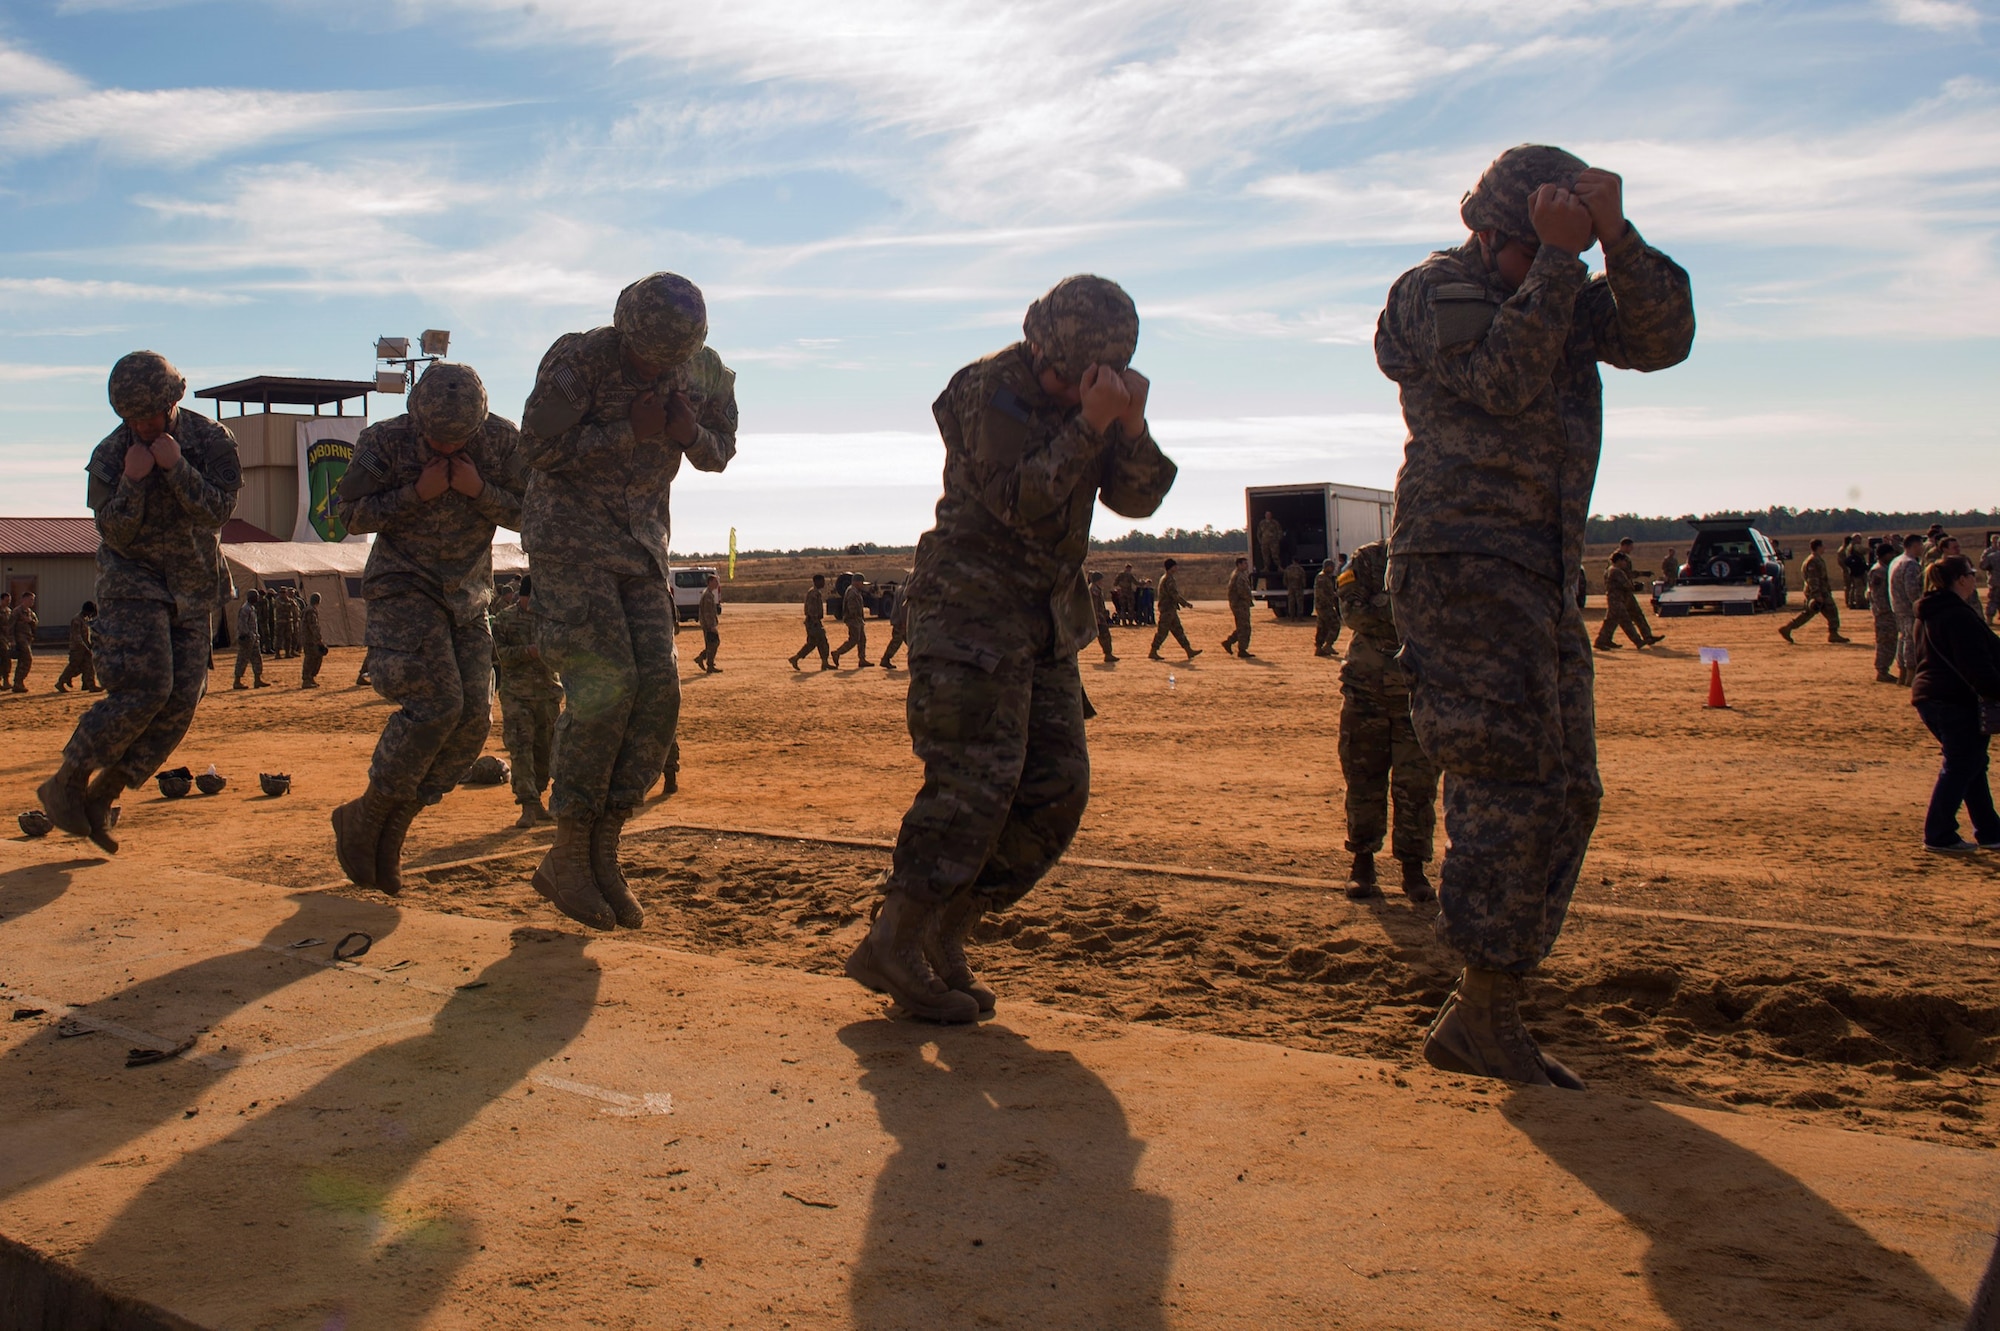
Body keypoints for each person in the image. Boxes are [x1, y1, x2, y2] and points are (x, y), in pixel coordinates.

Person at [1375, 144, 1694, 1087]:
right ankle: (1485, 1008)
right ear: (1493, 233)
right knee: (1508, 785)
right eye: (1536, 249)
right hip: (1463, 565)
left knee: (1569, 791)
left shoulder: (1552, 284)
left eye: (1566, 253)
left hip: (1541, 570)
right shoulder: (1436, 289)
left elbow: (1663, 337)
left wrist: (1618, 239)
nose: (1557, 266)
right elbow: (1501, 382)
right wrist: (1559, 261)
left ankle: (1489, 999)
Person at [844, 273, 1177, 1024]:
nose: (1071, 390)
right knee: (972, 788)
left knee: (1056, 790)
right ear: (1041, 347)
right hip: (971, 614)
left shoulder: (1088, 402)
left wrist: (1130, 425)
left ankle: (944, 928)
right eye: (1066, 377)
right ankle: (896, 935)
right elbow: (1019, 498)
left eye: (1091, 381)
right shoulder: (987, 388)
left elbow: (1139, 498)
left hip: (1045, 621)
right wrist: (1089, 421)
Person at [518, 271, 738, 931]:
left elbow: (719, 453)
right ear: (624, 329)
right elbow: (535, 448)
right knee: (604, 685)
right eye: (646, 357)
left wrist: (688, 433)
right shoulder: (578, 358)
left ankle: (602, 849)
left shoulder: (705, 370)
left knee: (659, 691)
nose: (656, 368)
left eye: (668, 361)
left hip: (642, 546)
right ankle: (568, 852)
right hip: (569, 540)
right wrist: (628, 431)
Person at [332, 361, 527, 896]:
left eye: (459, 438)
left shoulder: (503, 442)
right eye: (436, 438)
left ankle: (390, 824)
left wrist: (478, 489)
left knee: (473, 722)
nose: (445, 446)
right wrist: (413, 494)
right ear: (416, 418)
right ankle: (373, 814)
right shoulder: (384, 441)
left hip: (468, 595)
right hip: (404, 587)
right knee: (437, 704)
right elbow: (344, 515)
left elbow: (537, 513)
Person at [38, 351, 242, 853]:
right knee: (148, 687)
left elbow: (217, 512)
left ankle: (103, 795)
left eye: (152, 414)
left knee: (182, 699)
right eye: (133, 418)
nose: (144, 425)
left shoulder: (211, 440)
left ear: (174, 400)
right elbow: (112, 532)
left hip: (194, 586)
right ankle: (68, 780)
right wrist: (132, 481)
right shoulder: (111, 455)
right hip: (132, 583)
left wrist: (176, 469)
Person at [1337, 540, 1440, 903]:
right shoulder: (1367, 559)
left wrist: (1382, 608)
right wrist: (1408, 615)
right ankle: (1362, 865)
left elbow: (1447, 615)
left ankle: (1414, 871)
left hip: (1418, 692)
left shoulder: (1435, 557)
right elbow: (1352, 613)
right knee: (1364, 780)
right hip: (1366, 692)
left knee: (1416, 787)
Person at [1909, 555, 2000, 852]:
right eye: (1972, 573)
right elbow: (1977, 664)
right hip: (1954, 700)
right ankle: (1938, 833)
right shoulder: (1956, 615)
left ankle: (1989, 830)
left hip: (1933, 698)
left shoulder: (1931, 611)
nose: (1976, 578)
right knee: (1962, 763)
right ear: (1961, 579)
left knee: (1971, 763)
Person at [492, 573, 561, 827]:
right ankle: (528, 805)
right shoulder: (505, 619)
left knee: (545, 750)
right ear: (523, 595)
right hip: (517, 696)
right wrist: (528, 652)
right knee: (521, 749)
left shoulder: (550, 619)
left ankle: (538, 798)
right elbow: (499, 654)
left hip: (547, 694)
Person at [1780, 538, 1849, 645]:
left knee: (1812, 613)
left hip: (1821, 591)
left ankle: (1788, 628)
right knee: (1830, 612)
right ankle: (1833, 633)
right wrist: (1817, 594)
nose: (1824, 548)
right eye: (1822, 546)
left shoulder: (1816, 559)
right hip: (1819, 592)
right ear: (1818, 547)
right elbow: (1813, 579)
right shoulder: (1813, 561)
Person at [1594, 552, 1649, 650]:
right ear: (1619, 561)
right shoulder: (1616, 571)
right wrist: (1636, 587)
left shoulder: (1608, 570)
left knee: (1611, 621)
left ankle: (1602, 640)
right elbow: (1627, 585)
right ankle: (1638, 641)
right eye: (1624, 561)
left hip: (1612, 599)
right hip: (1617, 600)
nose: (1625, 563)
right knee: (1625, 621)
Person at [1891, 533, 1927, 684]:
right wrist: (1920, 605)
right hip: (1909, 608)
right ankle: (1910, 674)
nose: (1922, 547)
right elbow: (1912, 589)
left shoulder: (1896, 561)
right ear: (1914, 545)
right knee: (1911, 640)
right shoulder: (1911, 564)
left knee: (1903, 639)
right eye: (1920, 544)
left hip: (1898, 606)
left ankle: (1903, 673)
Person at [1149, 558, 1199, 660]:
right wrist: (1185, 603)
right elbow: (1174, 595)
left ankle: (1188, 650)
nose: (1177, 568)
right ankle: (1153, 651)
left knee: (1178, 630)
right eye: (1175, 566)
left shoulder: (1167, 578)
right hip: (1167, 609)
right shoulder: (1168, 579)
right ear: (1171, 567)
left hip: (1170, 609)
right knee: (1162, 632)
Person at [1869, 542, 1901, 684]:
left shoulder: (1885, 569)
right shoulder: (1878, 571)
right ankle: (1882, 671)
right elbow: (1878, 595)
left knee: (1890, 641)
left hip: (1888, 612)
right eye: (1890, 553)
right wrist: (1885, 611)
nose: (1893, 556)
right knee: (1885, 641)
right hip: (1884, 613)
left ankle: (1884, 669)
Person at [788, 572, 833, 671]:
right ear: (817, 581)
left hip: (813, 622)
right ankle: (797, 658)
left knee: (815, 643)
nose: (823, 583)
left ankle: (797, 658)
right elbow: (811, 609)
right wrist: (815, 620)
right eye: (822, 581)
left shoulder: (815, 592)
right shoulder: (814, 593)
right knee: (821, 642)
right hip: (813, 622)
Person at [55, 601, 100, 693]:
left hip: (86, 647)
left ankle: (90, 685)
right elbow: (77, 637)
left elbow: (87, 635)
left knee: (89, 666)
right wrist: (86, 648)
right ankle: (61, 682)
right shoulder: (77, 620)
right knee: (73, 666)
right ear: (86, 611)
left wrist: (90, 645)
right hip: (77, 648)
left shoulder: (86, 618)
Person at [831, 573, 871, 667]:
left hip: (858, 619)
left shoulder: (855, 591)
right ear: (857, 582)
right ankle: (837, 653)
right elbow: (851, 606)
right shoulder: (852, 592)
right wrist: (855, 616)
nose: (862, 585)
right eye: (861, 583)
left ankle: (862, 659)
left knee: (862, 640)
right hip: (853, 620)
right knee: (853, 640)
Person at [1221, 556, 1255, 657]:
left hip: (1242, 604)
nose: (1246, 565)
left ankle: (1229, 642)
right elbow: (1241, 591)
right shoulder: (1238, 576)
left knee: (1242, 627)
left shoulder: (1241, 574)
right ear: (1239, 565)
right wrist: (1248, 598)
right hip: (1240, 605)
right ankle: (1242, 650)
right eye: (1244, 564)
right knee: (1245, 627)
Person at [232, 591, 266, 688]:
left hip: (253, 638)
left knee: (257, 659)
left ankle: (257, 679)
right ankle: (237, 681)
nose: (258, 598)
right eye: (256, 597)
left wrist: (256, 635)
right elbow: (242, 624)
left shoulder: (251, 608)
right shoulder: (245, 609)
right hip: (246, 638)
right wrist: (247, 635)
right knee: (242, 659)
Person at [692, 573, 723, 673]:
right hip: (708, 624)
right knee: (713, 643)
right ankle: (708, 664)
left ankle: (703, 659)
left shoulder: (708, 593)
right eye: (715, 582)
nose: (717, 584)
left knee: (711, 643)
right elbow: (707, 612)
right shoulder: (708, 595)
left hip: (708, 624)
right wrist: (711, 626)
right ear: (710, 582)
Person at [9, 591, 37, 691]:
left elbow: (35, 625)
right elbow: (11, 626)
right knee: (28, 659)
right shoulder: (17, 611)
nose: (32, 602)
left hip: (28, 639)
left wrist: (30, 621)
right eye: (30, 599)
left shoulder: (30, 613)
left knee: (22, 661)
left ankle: (18, 683)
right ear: (24, 599)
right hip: (20, 639)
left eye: (33, 600)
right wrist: (12, 640)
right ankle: (18, 681)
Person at [1312, 560, 1342, 657]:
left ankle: (1319, 648)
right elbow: (1321, 594)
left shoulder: (1325, 577)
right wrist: (1331, 599)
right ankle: (1328, 644)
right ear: (1327, 567)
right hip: (1324, 606)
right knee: (1335, 624)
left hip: (1323, 606)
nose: (1333, 569)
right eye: (1331, 567)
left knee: (1322, 627)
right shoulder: (1322, 578)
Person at [1087, 570, 1117, 663]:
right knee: (1105, 635)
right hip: (1098, 616)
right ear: (1097, 580)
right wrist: (1096, 617)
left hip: (1098, 615)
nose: (1102, 581)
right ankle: (1108, 654)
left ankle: (1108, 654)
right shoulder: (1094, 589)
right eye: (1101, 580)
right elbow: (1095, 605)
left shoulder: (1094, 588)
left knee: (1100, 635)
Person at [880, 578, 911, 669]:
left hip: (897, 619)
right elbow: (904, 608)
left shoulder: (900, 589)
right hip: (901, 621)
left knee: (908, 641)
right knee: (897, 641)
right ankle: (885, 659)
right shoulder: (905, 591)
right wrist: (905, 622)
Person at [299, 591, 326, 688]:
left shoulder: (308, 609)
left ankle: (310, 678)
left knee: (315, 658)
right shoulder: (311, 611)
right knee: (310, 658)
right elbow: (313, 626)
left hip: (308, 638)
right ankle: (306, 679)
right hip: (310, 639)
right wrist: (319, 640)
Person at [1839, 534, 1869, 610]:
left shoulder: (1849, 547)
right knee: (1860, 587)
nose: (1860, 541)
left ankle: (1851, 602)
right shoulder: (1856, 546)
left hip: (1853, 570)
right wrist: (1871, 549)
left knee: (1853, 587)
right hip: (1858, 570)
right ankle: (1860, 603)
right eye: (1859, 539)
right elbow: (1863, 551)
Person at [1255, 511, 1284, 580]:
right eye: (1267, 515)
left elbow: (1279, 531)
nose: (1268, 516)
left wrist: (1278, 539)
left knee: (1275, 555)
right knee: (1265, 555)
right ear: (1265, 515)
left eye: (1269, 515)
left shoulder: (1275, 523)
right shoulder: (1262, 523)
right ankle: (1266, 568)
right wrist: (1260, 541)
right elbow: (1259, 533)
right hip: (1264, 542)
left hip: (1274, 542)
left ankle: (1279, 567)